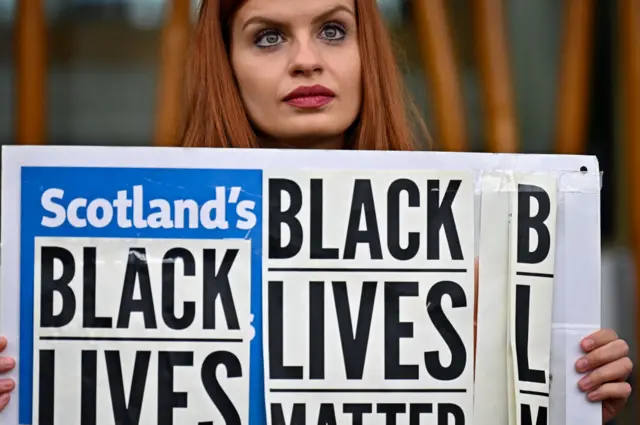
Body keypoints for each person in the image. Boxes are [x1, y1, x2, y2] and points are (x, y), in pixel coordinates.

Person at [0, 0, 633, 422]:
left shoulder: (478, 241)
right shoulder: (124, 254)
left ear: (368, 53)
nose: (307, 59)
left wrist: (567, 402)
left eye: (333, 30)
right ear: (226, 64)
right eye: (268, 36)